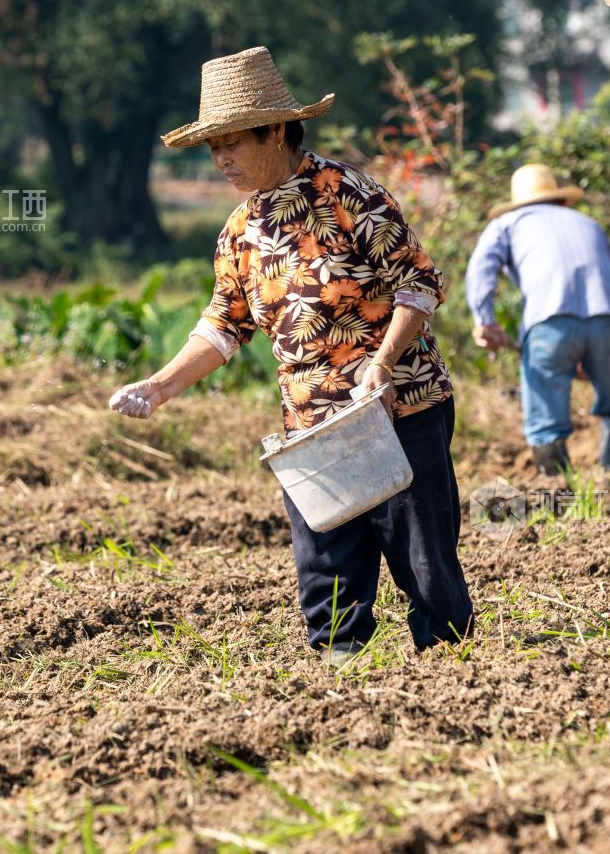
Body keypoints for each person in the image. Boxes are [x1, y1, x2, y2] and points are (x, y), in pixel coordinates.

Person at [109, 46, 472, 663]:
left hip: (398, 410)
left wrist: (380, 365)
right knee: (326, 566)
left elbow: (418, 283)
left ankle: (451, 670)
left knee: (425, 563)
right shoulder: (239, 231)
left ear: (276, 129)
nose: (221, 159)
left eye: (233, 142)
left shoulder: (347, 194)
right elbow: (224, 325)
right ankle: (337, 680)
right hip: (313, 429)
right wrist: (161, 384)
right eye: (212, 146)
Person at [465, 163, 610, 474]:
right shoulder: (587, 223)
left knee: (545, 422)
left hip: (550, 324)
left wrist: (485, 321)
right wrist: (590, 350)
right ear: (559, 198)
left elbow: (481, 270)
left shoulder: (507, 223)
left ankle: (559, 500)